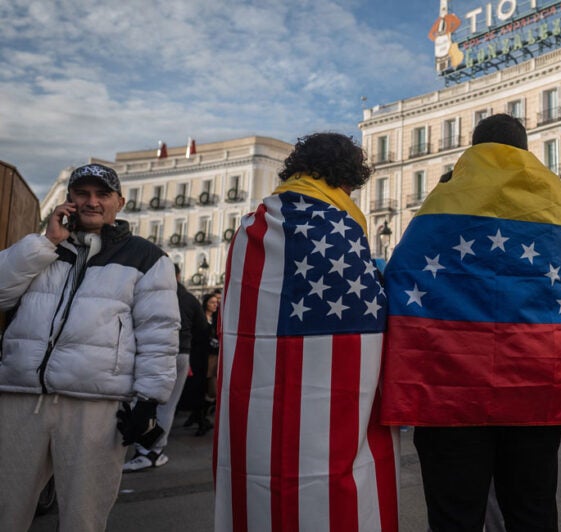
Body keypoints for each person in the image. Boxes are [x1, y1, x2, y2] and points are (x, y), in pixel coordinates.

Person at [380, 114, 561, 530]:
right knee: (532, 510)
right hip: (536, 392)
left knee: (455, 514)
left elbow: (398, 282)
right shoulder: (552, 205)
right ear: (524, 151)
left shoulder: (439, 206)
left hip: (449, 394)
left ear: (472, 148)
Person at [215, 133, 399, 531]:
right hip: (329, 410)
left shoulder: (251, 228)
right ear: (347, 179)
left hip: (258, 407)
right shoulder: (342, 229)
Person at [0, 163, 179, 531]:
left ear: (120, 202)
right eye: (82, 194)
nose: (92, 202)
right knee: (4, 509)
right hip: (20, 398)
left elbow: (159, 332)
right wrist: (47, 241)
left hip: (96, 408)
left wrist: (148, 401)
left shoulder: (147, 258)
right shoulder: (42, 248)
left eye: (102, 194)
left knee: (84, 518)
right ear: (69, 201)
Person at [123, 264, 205, 471]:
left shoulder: (151, 292)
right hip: (181, 352)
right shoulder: (189, 299)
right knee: (167, 406)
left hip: (154, 350)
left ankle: (146, 449)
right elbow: (203, 328)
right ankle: (155, 449)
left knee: (143, 400)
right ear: (178, 275)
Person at [181, 291, 219, 436]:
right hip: (199, 356)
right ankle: (199, 417)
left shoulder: (216, 319)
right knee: (198, 388)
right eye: (212, 302)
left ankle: (200, 416)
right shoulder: (201, 318)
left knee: (210, 389)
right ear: (205, 304)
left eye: (216, 303)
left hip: (212, 358)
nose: (215, 305)